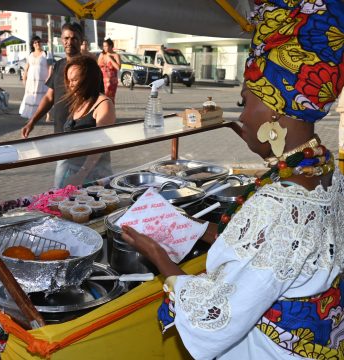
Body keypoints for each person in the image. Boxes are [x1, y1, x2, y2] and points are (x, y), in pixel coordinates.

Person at [121, 1, 344, 359]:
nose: (242, 115)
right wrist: (204, 231)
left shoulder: (283, 202)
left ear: (273, 110)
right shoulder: (321, 166)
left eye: (245, 102)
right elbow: (286, 250)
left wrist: (157, 254)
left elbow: (219, 315)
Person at [54, 55, 116, 187]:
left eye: (75, 80)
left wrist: (81, 175)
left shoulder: (103, 104)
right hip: (71, 170)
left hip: (94, 176)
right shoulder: (79, 102)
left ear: (88, 79)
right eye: (68, 80)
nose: (70, 85)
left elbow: (100, 145)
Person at [21, 22, 83, 138]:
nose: (69, 42)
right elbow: (49, 97)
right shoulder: (59, 65)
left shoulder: (89, 68)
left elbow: (99, 101)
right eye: (66, 38)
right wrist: (32, 121)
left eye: (74, 38)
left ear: (81, 40)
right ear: (61, 39)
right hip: (59, 129)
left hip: (81, 130)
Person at [19, 36, 53, 120]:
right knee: (31, 97)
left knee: (45, 97)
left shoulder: (46, 53)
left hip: (43, 80)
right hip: (31, 81)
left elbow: (50, 67)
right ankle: (31, 115)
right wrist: (24, 78)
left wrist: (49, 77)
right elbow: (27, 67)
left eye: (38, 42)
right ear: (33, 45)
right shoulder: (30, 54)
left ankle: (48, 115)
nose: (37, 44)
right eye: (35, 42)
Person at [97, 38, 121, 103]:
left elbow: (118, 67)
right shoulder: (102, 55)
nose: (104, 48)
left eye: (106, 46)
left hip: (111, 82)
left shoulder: (116, 55)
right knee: (101, 97)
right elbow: (97, 66)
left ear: (111, 46)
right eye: (103, 46)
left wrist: (110, 58)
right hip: (102, 80)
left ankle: (110, 111)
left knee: (110, 98)